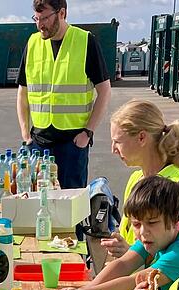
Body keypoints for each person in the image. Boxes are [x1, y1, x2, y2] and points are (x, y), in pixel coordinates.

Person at [16, 0, 112, 189]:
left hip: (72, 144)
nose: (40, 24)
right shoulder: (33, 43)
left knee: (71, 209)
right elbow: (22, 93)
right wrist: (25, 134)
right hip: (38, 143)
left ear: (62, 13)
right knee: (37, 205)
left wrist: (88, 132)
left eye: (44, 18)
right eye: (36, 18)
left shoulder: (85, 41)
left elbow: (104, 91)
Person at [103, 99, 179, 259]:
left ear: (142, 137)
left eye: (117, 141)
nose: (113, 150)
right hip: (135, 279)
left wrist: (130, 254)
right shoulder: (136, 178)